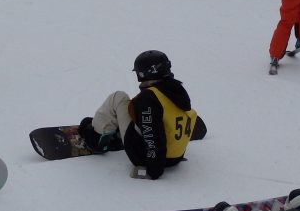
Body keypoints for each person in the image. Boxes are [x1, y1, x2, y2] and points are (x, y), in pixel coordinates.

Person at [77, 50, 204, 180]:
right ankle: (119, 128)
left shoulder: (149, 99)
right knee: (137, 106)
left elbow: (152, 135)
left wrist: (153, 171)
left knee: (118, 97)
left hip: (146, 158)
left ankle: (97, 139)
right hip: (175, 157)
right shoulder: (176, 90)